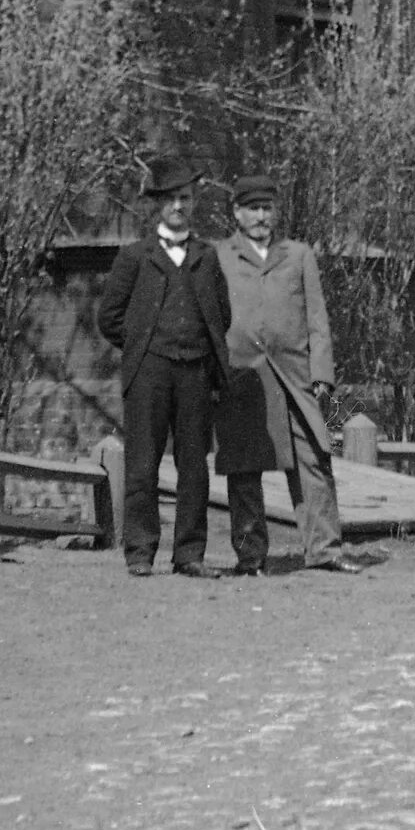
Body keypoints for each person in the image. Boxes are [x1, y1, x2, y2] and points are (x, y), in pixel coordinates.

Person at [96, 152, 237, 580]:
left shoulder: (207, 257)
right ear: (157, 205)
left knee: (194, 466)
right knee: (143, 463)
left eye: (187, 198)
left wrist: (199, 350)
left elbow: (222, 315)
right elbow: (109, 318)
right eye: (172, 199)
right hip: (149, 374)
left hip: (196, 373)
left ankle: (189, 554)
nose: (179, 206)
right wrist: (145, 345)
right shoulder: (135, 257)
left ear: (194, 203)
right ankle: (140, 550)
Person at [213, 174, 354, 576]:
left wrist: (322, 373)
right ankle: (250, 556)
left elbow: (317, 319)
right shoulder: (219, 257)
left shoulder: (298, 255)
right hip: (243, 377)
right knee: (243, 466)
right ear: (236, 213)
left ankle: (325, 549)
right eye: (252, 209)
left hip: (295, 375)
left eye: (267, 208)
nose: (260, 216)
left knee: (314, 458)